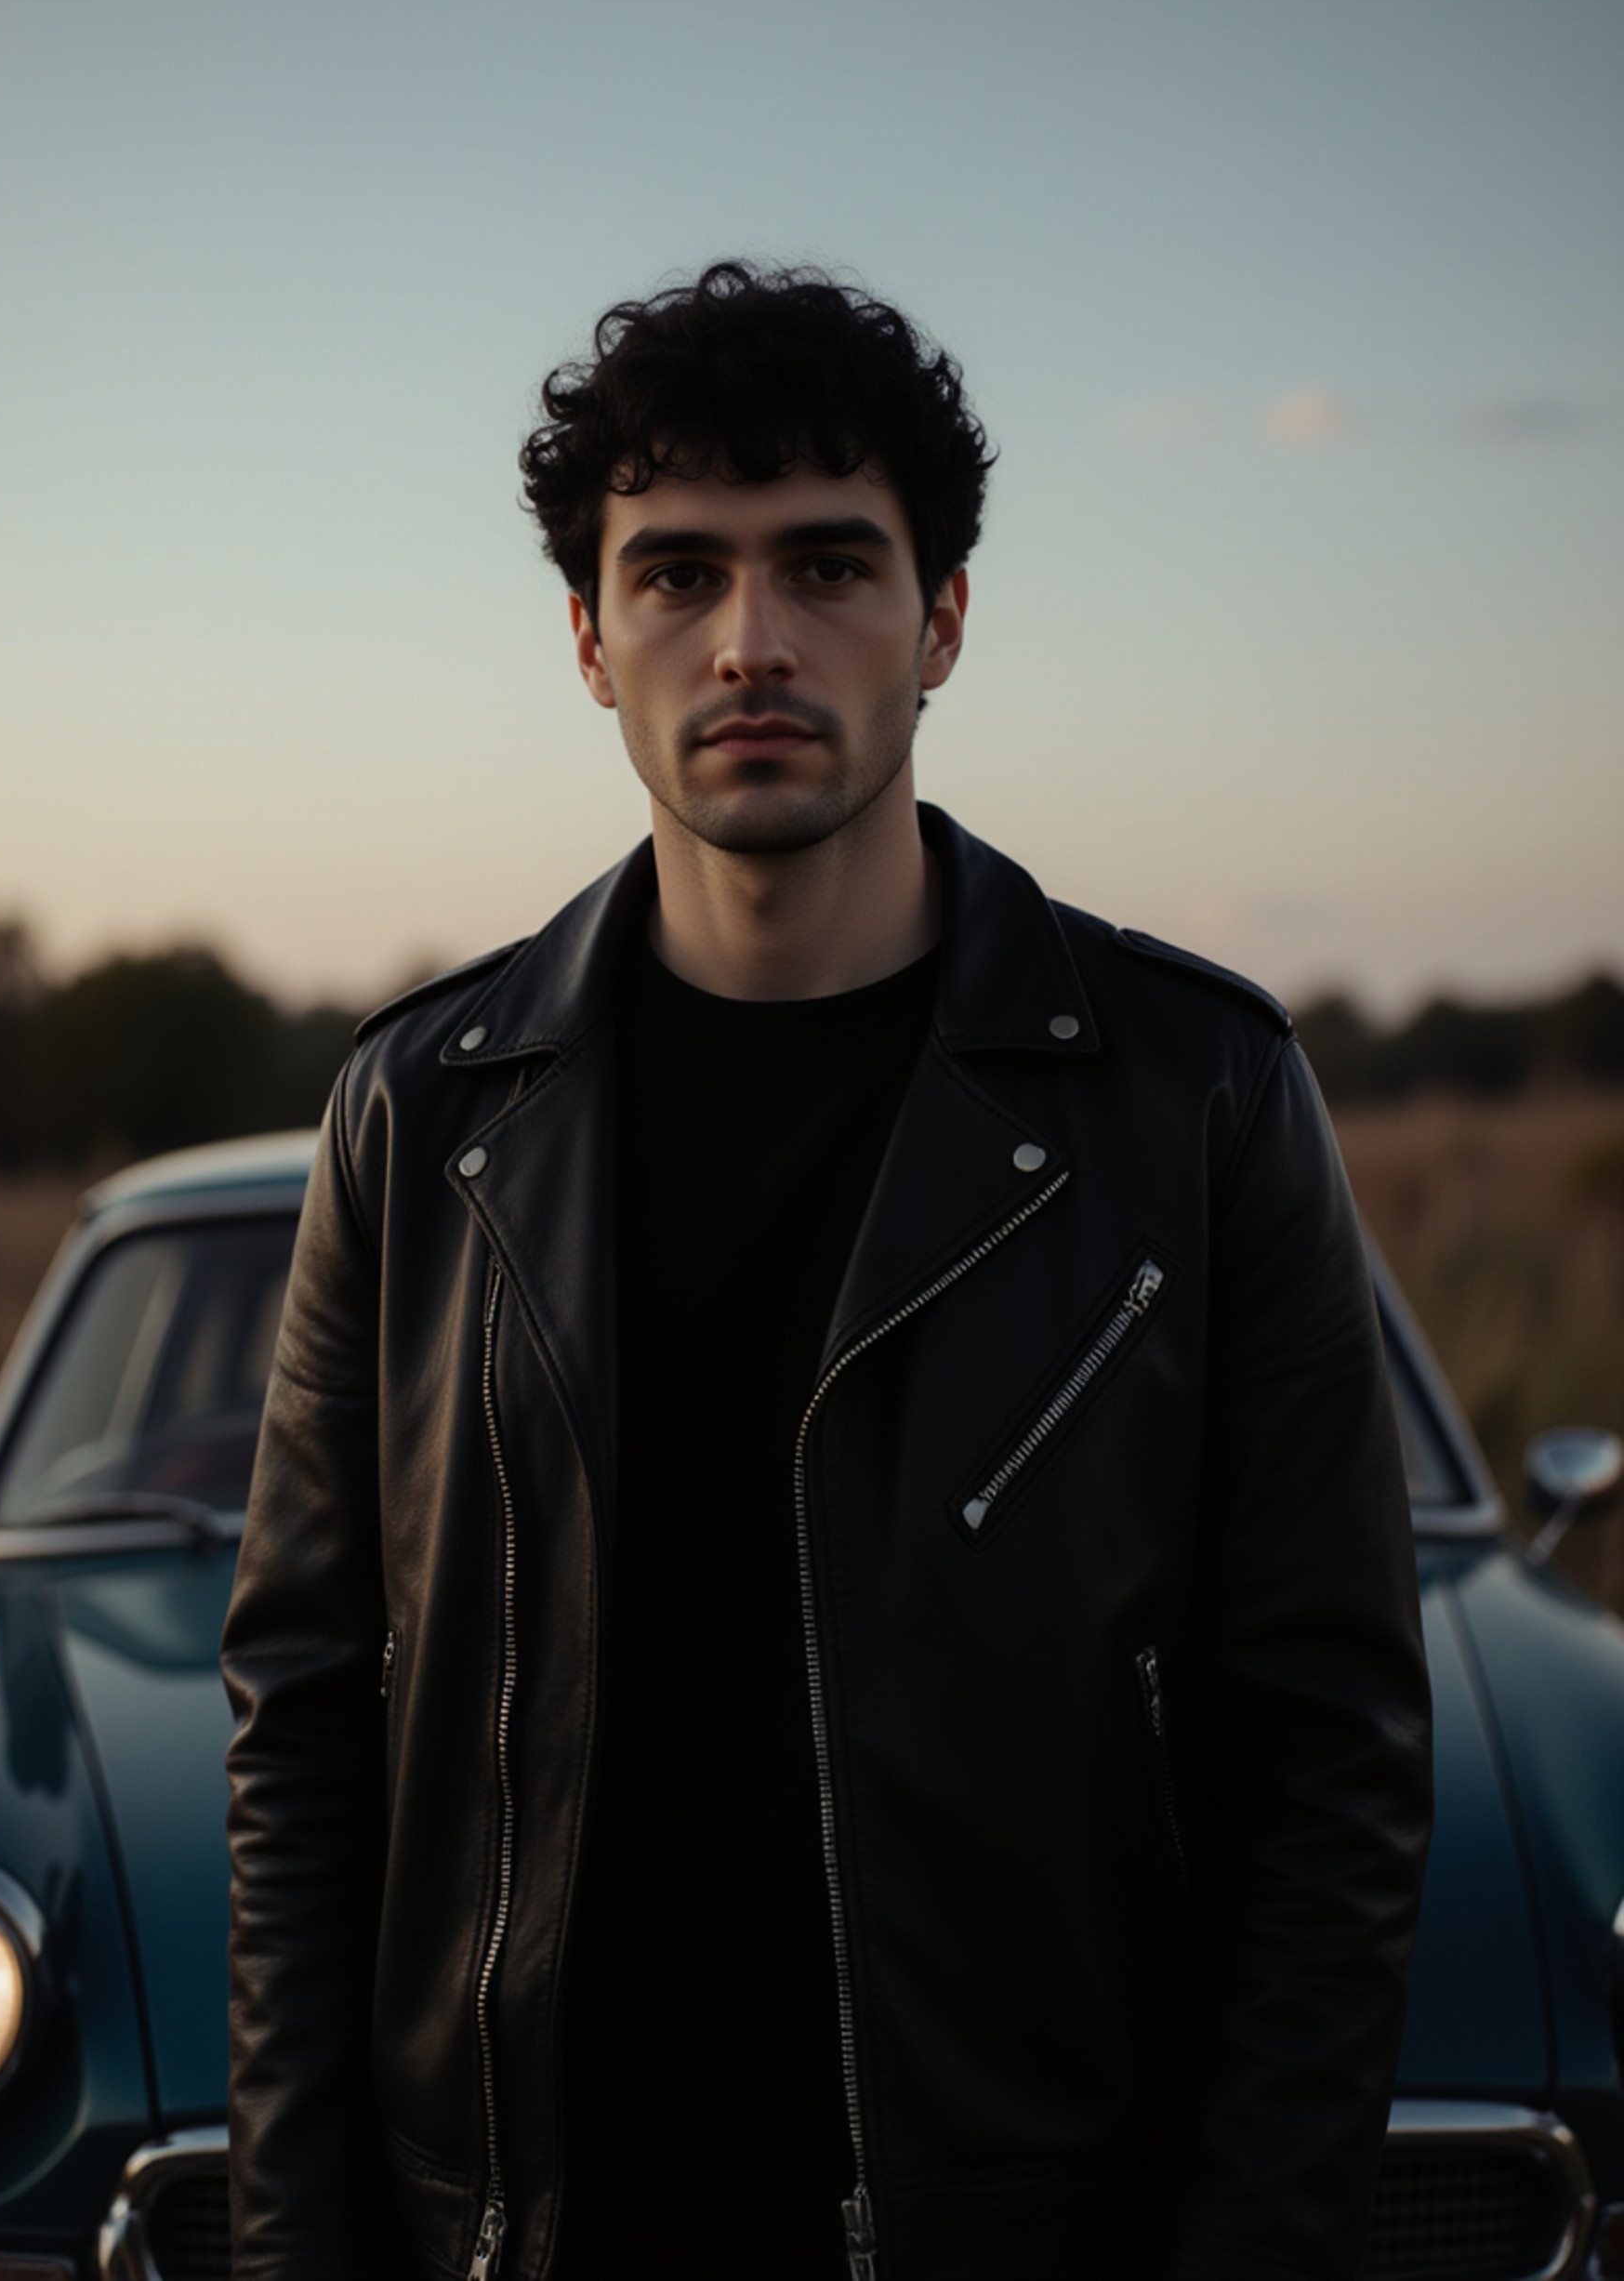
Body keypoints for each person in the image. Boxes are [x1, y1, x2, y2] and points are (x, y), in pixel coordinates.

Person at [222, 261, 1433, 2281]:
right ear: (590, 641)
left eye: (829, 567)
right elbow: (302, 1726)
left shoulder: (1195, 1096)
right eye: (677, 574)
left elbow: (1328, 1760)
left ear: (943, 616)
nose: (751, 643)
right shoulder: (419, 1114)